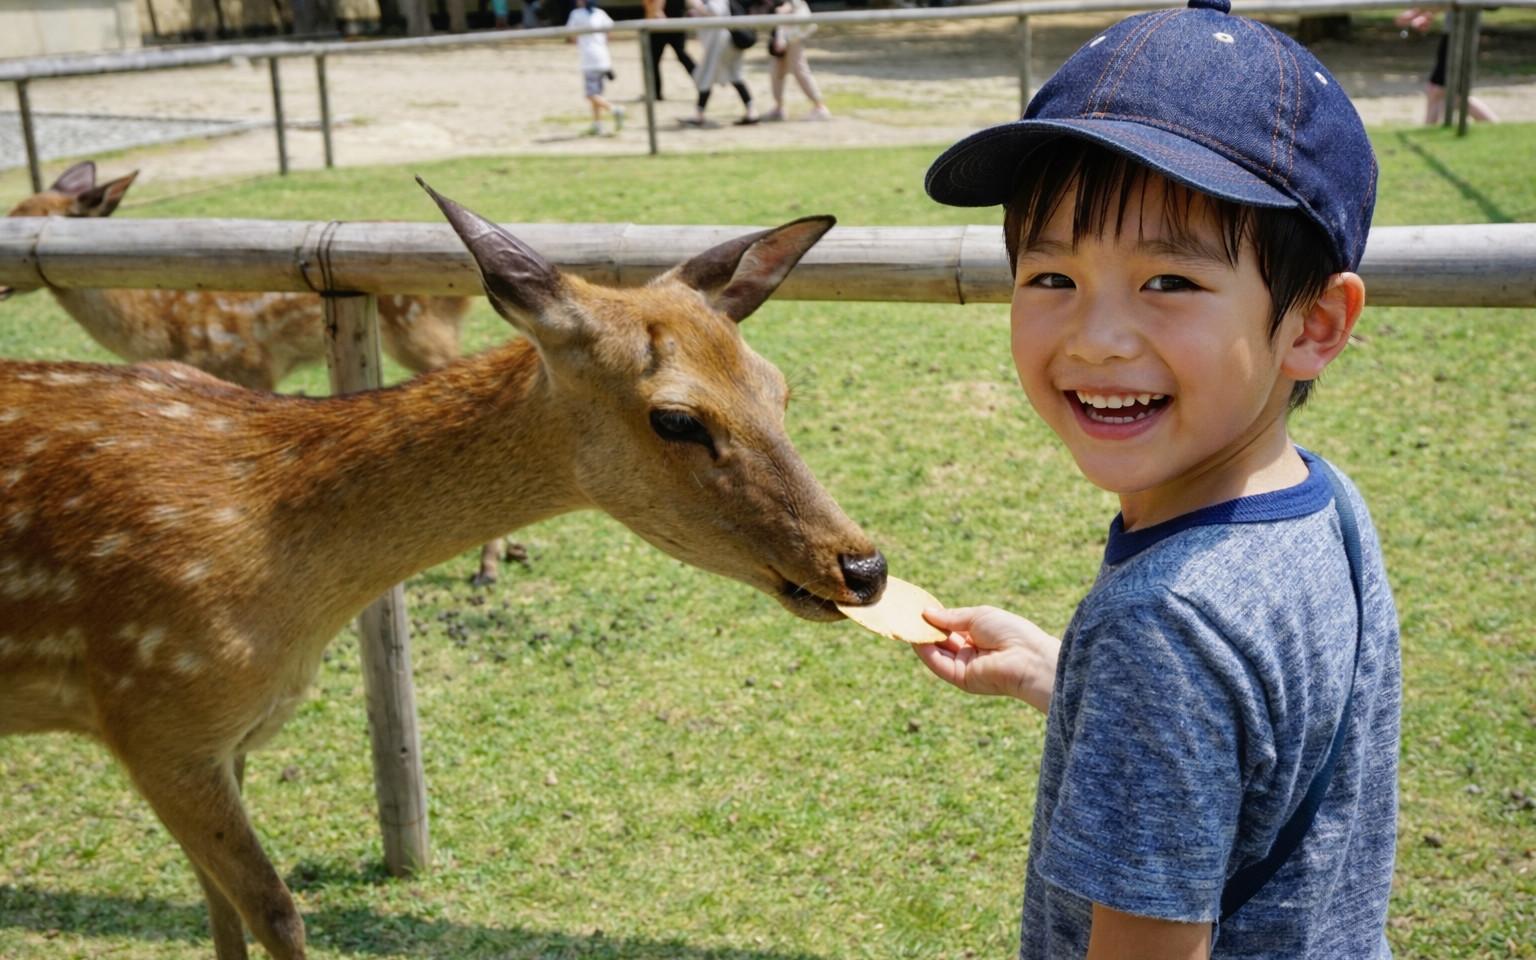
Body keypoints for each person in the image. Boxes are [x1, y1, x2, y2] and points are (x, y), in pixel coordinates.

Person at [917, 0, 1401, 955]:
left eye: (1169, 282)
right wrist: (1072, 680)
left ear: (1314, 324)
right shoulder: (1320, 500)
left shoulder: (1163, 628)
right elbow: (1257, 747)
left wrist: (1130, 678)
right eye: (1050, 278)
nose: (1095, 339)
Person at [1395, 7, 1500, 124]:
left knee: (1437, 90)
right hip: (1456, 33)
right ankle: (1496, 126)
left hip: (1459, 35)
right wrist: (1426, 14)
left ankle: (1429, 131)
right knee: (1450, 95)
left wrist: (1418, 12)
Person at [684, 0, 758, 126]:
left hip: (721, 42)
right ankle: (752, 111)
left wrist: (695, 4)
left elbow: (715, 12)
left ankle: (698, 115)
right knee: (735, 76)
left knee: (707, 75)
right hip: (726, 40)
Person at [763, 0, 829, 121]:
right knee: (776, 71)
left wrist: (780, 36)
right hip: (786, 37)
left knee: (800, 70)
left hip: (793, 37)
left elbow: (783, 10)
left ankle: (819, 107)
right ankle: (779, 107)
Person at [567, 0, 624, 136]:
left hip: (589, 59)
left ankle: (614, 109)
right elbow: (612, 32)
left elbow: (571, 36)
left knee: (591, 94)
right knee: (598, 93)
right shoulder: (600, 13)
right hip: (603, 56)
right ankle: (597, 124)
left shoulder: (576, 14)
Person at [644, 0, 698, 101]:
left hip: (662, 27)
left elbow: (657, 12)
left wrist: (657, 14)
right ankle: (703, 83)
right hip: (677, 23)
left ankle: (655, 93)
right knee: (682, 55)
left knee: (652, 60)